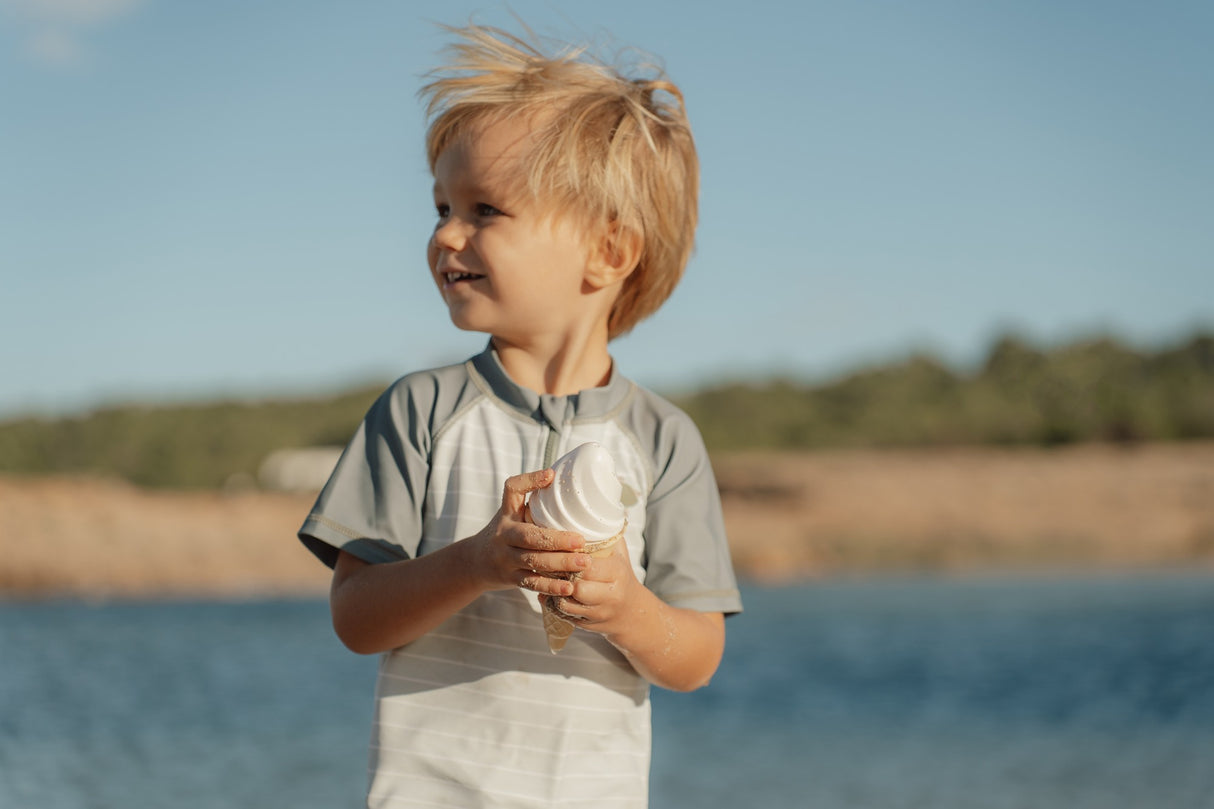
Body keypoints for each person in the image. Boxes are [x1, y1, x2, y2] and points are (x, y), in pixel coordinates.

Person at [298, 21, 741, 808]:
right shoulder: (421, 410)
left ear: (609, 252)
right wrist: (475, 562)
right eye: (440, 206)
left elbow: (697, 656)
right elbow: (357, 617)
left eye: (485, 209)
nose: (444, 235)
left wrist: (629, 610)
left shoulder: (664, 439)